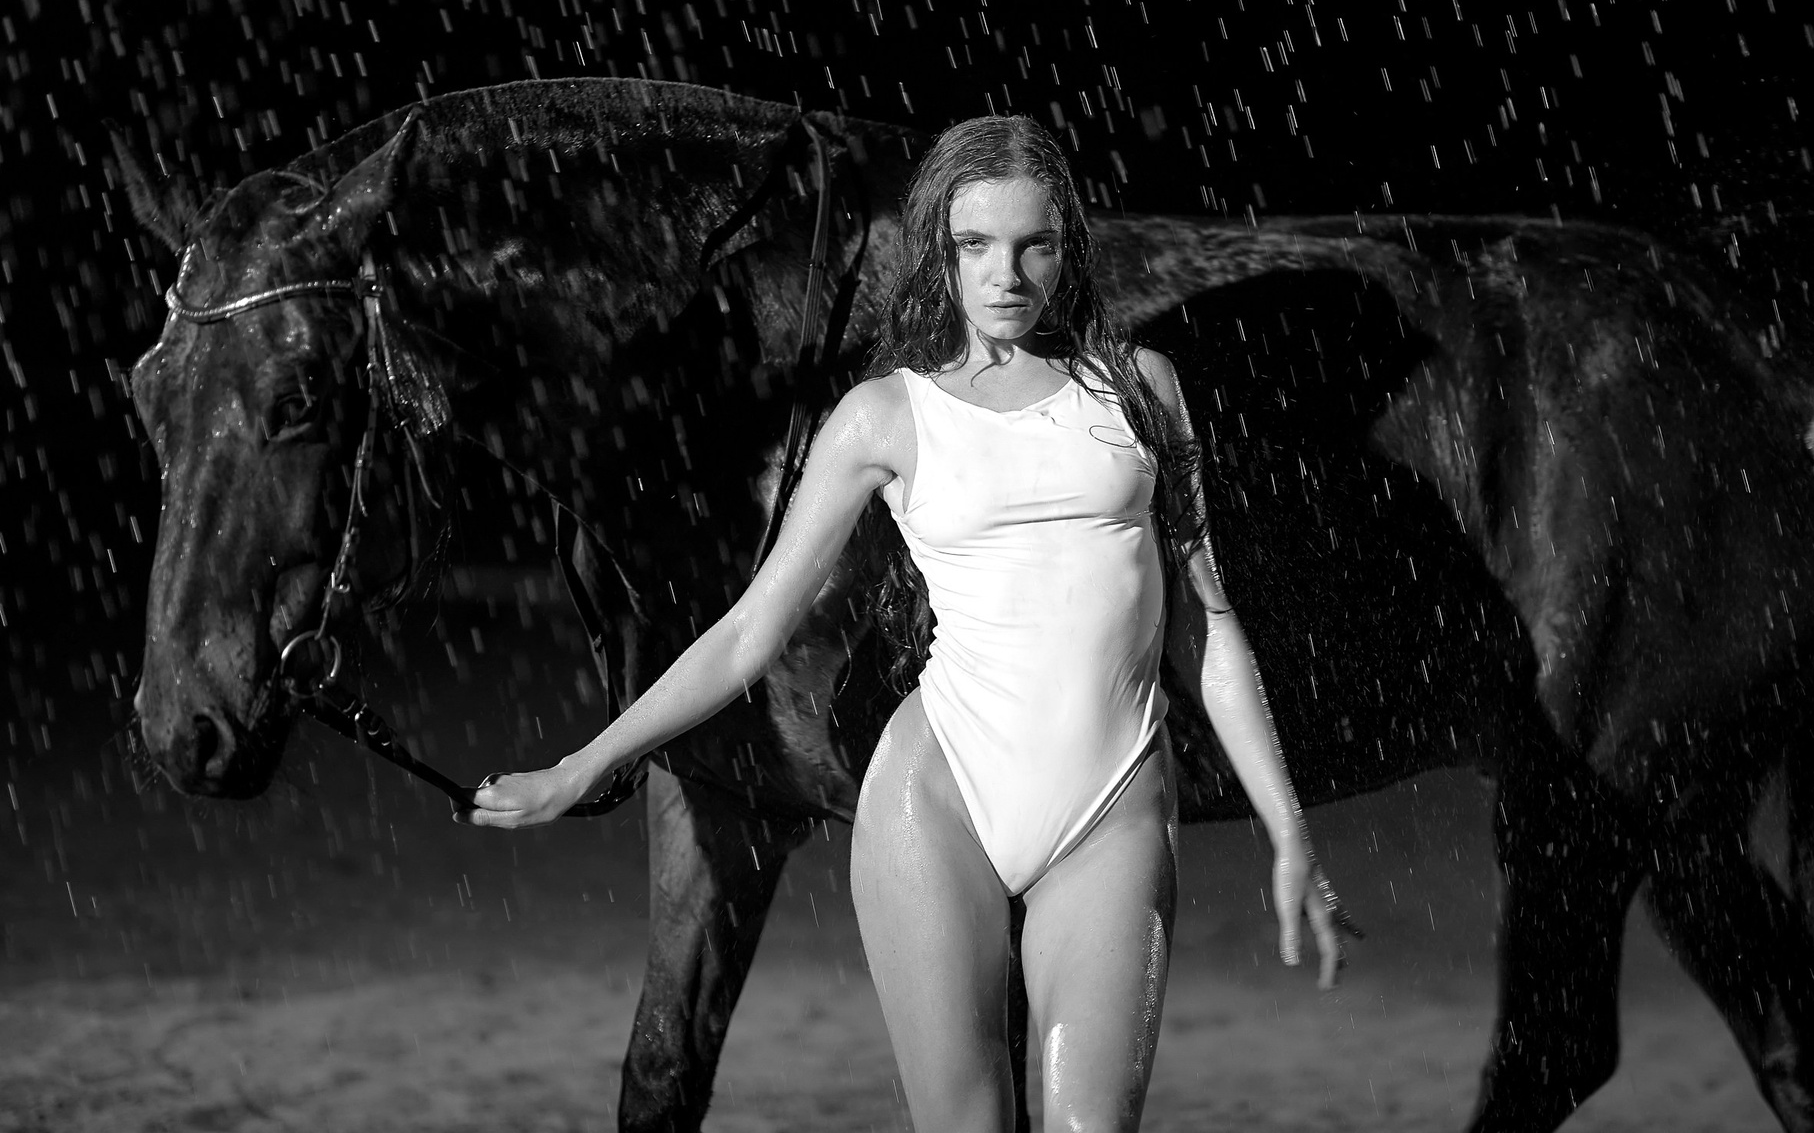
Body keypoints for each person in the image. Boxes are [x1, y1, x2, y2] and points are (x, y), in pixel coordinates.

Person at [460, 114, 1345, 1130]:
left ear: (1069, 245)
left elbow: (1207, 624)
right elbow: (750, 632)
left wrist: (1290, 831)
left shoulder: (1143, 390)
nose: (1005, 274)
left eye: (1033, 243)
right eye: (976, 244)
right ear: (941, 250)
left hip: (1113, 805)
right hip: (938, 800)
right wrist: (581, 766)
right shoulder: (885, 414)